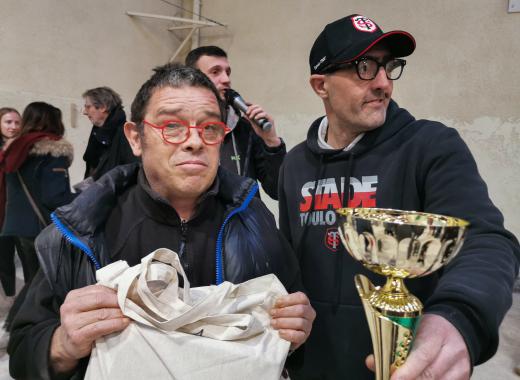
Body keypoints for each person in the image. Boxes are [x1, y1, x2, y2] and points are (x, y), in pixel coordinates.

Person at [8, 64, 315, 379]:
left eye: (210, 128)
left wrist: (296, 330)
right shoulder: (82, 230)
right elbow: (21, 352)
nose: (194, 142)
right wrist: (61, 346)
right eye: (172, 125)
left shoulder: (252, 217)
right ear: (136, 138)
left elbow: (293, 311)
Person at [278, 14, 520, 380]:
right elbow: (290, 264)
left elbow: (486, 241)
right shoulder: (295, 164)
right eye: (364, 67)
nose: (382, 83)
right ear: (320, 85)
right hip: (312, 366)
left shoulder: (431, 147)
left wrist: (458, 317)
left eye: (388, 67)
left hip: (403, 368)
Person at [186, 46, 286, 200]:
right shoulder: (180, 131)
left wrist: (271, 141)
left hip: (243, 221)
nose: (226, 79)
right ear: (192, 80)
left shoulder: (245, 127)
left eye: (227, 72)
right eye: (215, 72)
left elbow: (278, 191)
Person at [1, 102, 74, 286]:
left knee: (32, 281)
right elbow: (55, 197)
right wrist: (82, 197)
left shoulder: (15, 149)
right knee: (46, 285)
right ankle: (29, 314)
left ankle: (22, 313)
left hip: (17, 225)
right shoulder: (53, 151)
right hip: (42, 226)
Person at [81, 86, 138, 181]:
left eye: (88, 107)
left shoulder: (126, 134)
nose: (84, 112)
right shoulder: (97, 133)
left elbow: (133, 173)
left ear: (103, 107)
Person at [0, 107, 21, 302]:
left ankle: (16, 301)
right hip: (1, 213)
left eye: (16, 122)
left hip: (18, 214)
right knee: (3, 258)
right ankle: (8, 297)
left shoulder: (25, 149)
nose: (13, 127)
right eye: (8, 122)